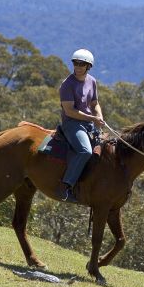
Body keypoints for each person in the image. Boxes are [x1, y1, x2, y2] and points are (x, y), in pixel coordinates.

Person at [57, 48, 104, 202]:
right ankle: (66, 186)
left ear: (88, 66)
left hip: (89, 122)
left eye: (81, 64)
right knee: (85, 151)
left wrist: (99, 116)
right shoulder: (67, 84)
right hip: (72, 123)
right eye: (75, 63)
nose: (77, 66)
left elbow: (94, 103)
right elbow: (70, 111)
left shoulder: (92, 81)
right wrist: (92, 118)